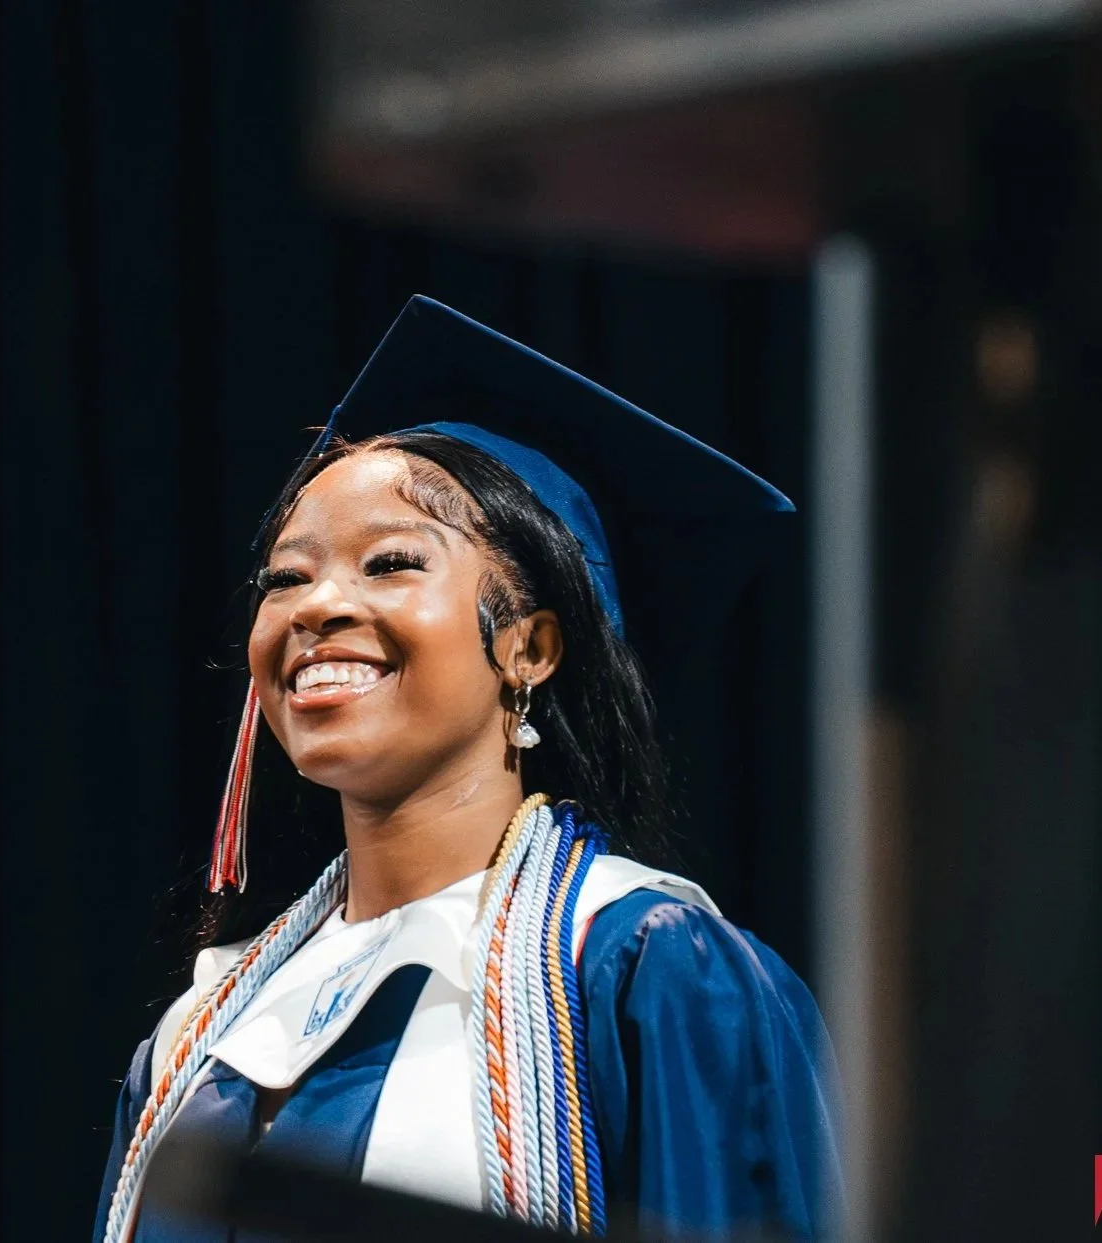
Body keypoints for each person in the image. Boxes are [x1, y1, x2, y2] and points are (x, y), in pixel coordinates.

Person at [94, 296, 844, 1242]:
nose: (317, 606)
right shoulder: (197, 1039)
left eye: (391, 562)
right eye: (285, 577)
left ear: (528, 647)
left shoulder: (641, 971)